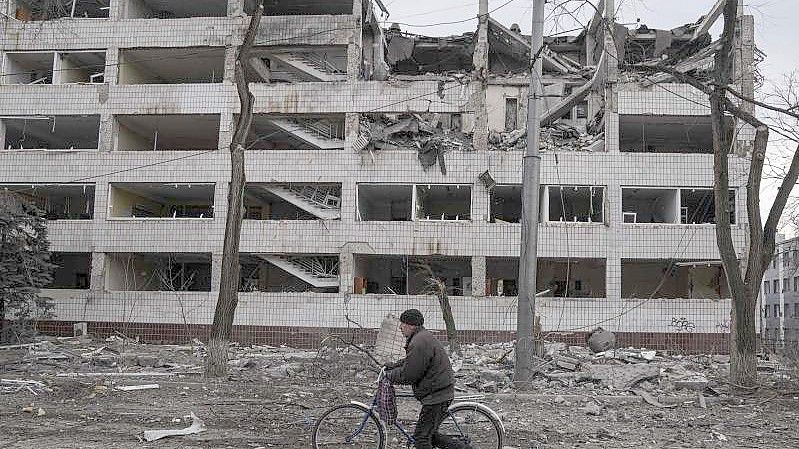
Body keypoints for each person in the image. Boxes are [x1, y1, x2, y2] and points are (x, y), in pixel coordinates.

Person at [385, 309, 468, 449]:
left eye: (402, 324)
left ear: (411, 325)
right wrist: (392, 366)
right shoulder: (421, 337)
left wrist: (389, 376)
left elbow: (409, 374)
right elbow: (412, 361)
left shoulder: (419, 342)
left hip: (437, 395)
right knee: (430, 435)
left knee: (421, 439)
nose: (400, 327)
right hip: (438, 391)